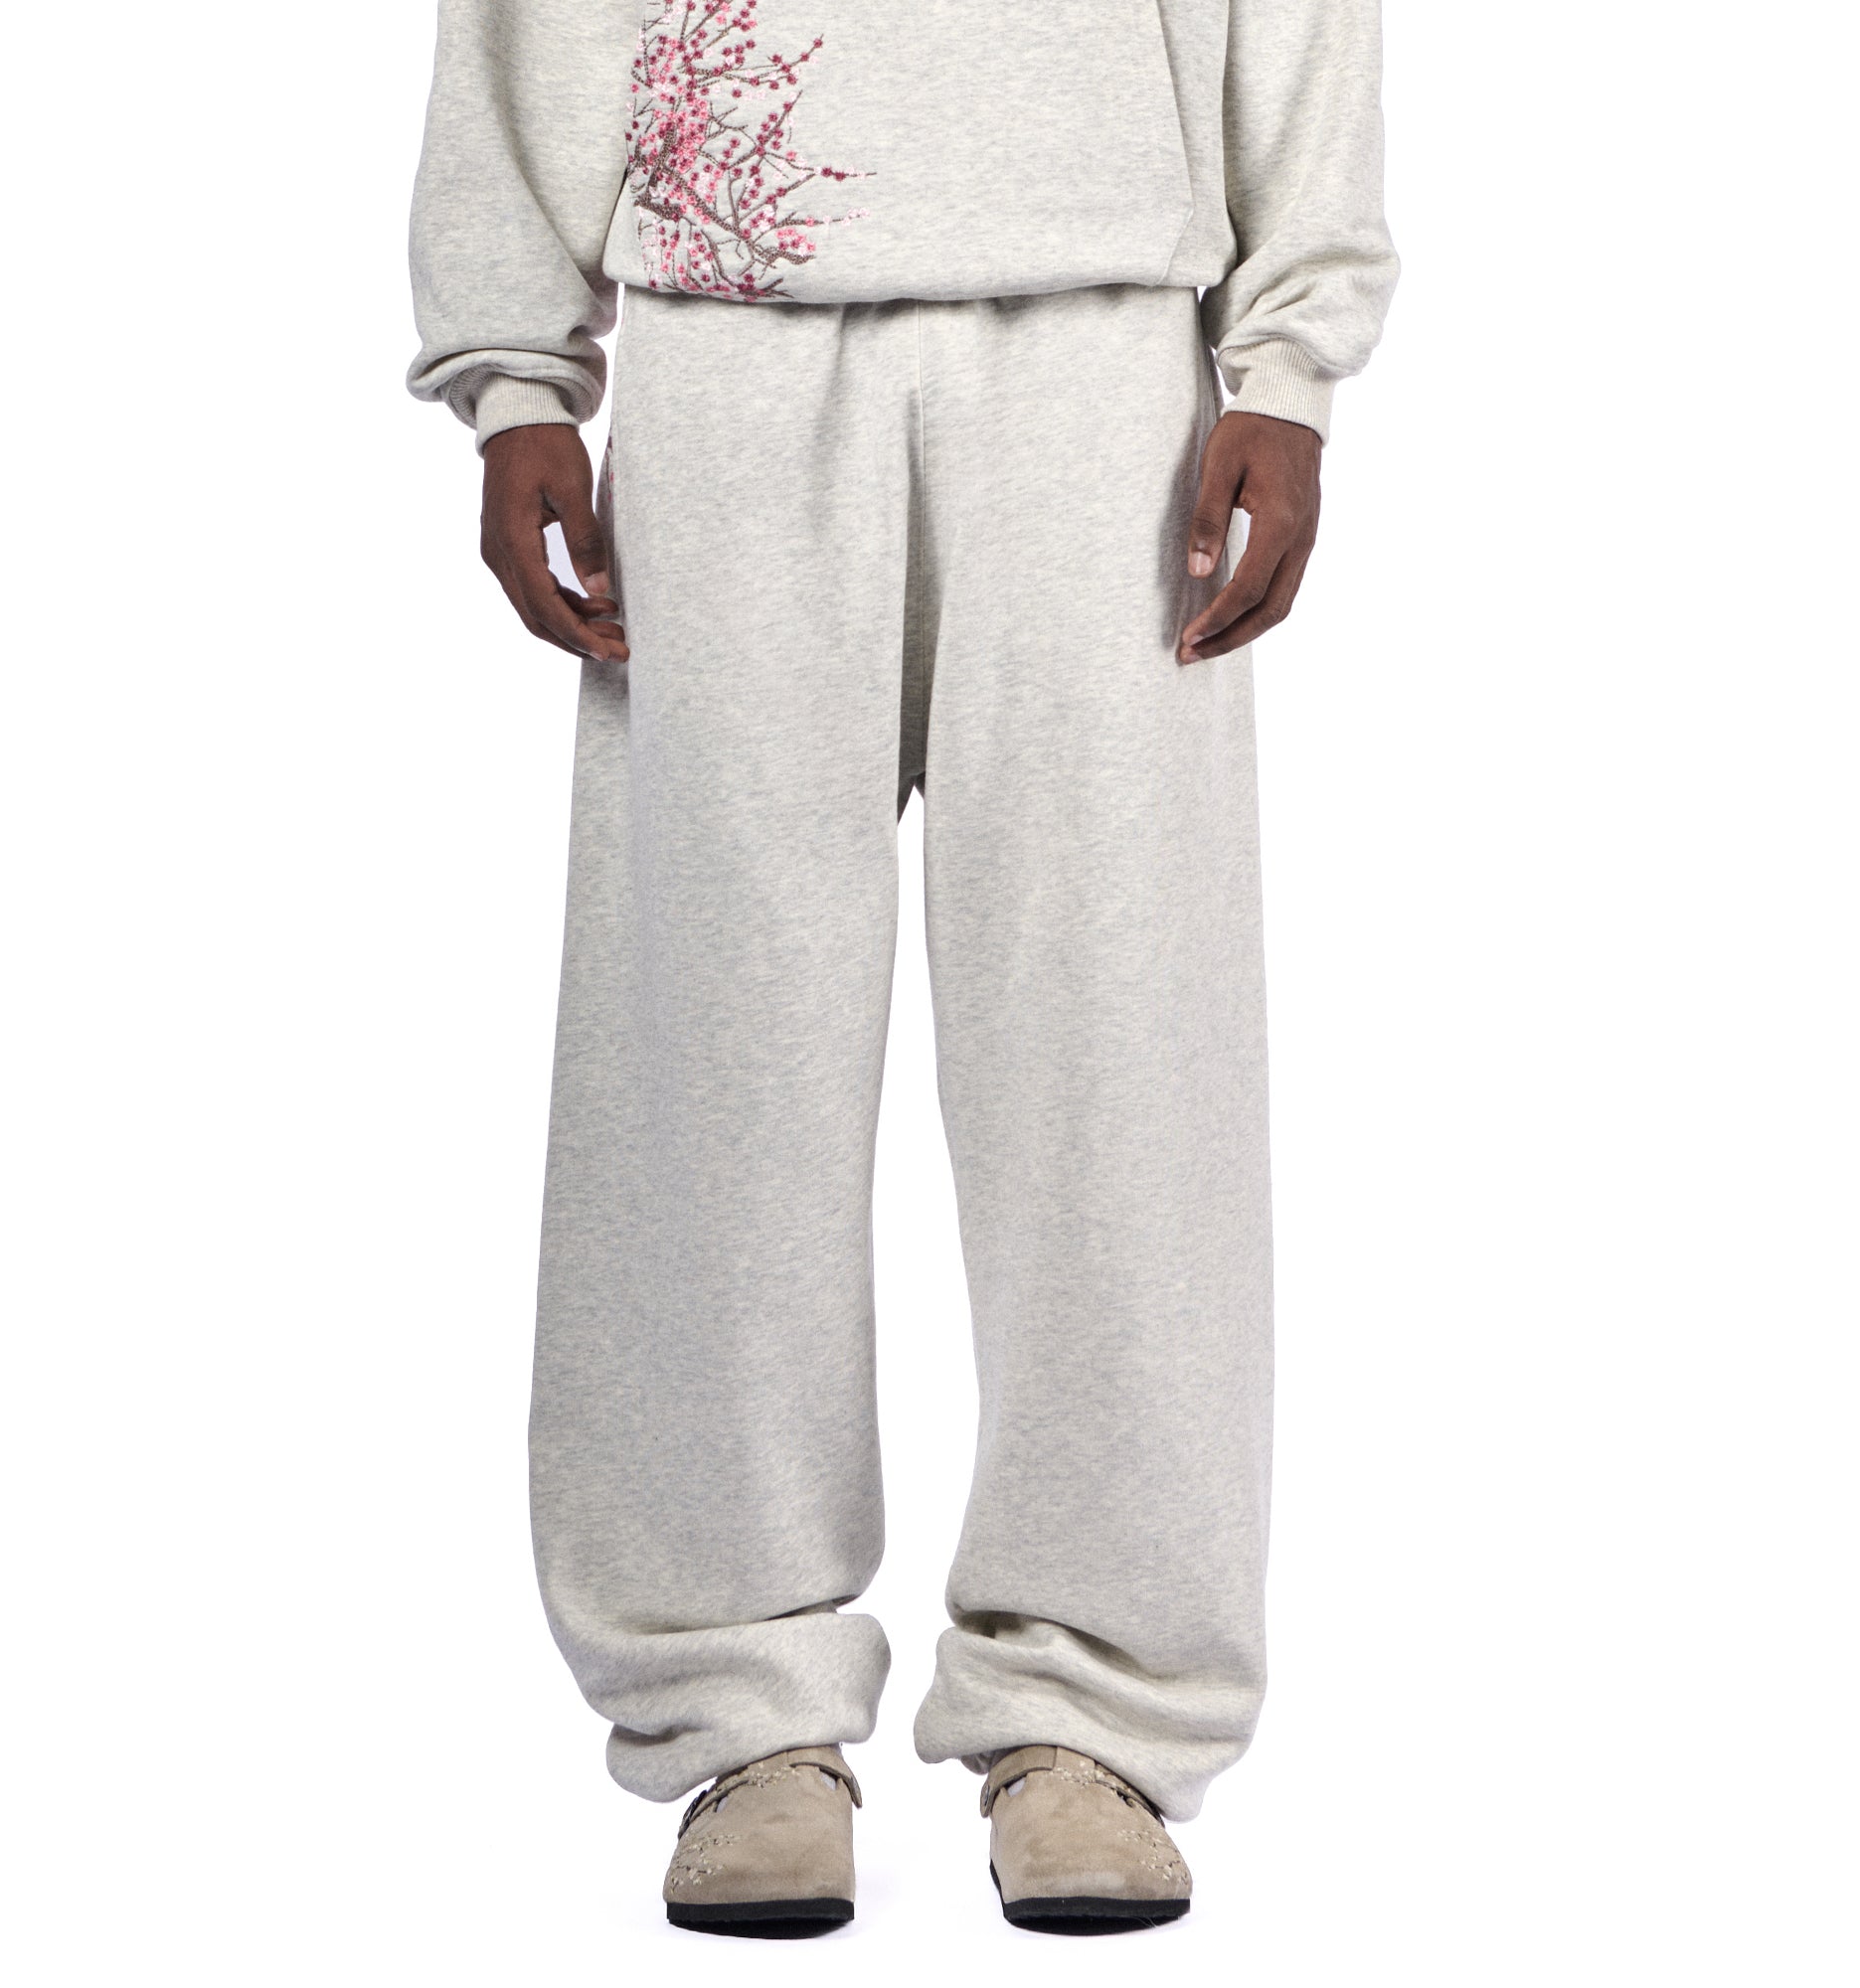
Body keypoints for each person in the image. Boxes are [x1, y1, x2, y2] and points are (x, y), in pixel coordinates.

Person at [408, 0, 1397, 1937]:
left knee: (1120, 1052)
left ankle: (1098, 1711)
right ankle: (740, 1709)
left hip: (1107, 351)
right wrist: (516, 373)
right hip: (732, 328)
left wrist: (1288, 355)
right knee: (712, 1045)